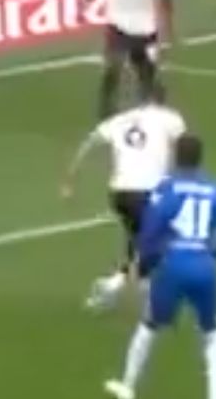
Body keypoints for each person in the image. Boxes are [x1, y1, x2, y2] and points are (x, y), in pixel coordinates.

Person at [105, 131, 216, 399]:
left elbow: (151, 229)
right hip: (204, 265)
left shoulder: (166, 189)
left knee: (150, 324)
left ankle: (128, 385)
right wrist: (215, 253)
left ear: (176, 157)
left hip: (173, 265)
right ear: (200, 159)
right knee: (212, 330)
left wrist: (142, 264)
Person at [63, 93, 189, 311]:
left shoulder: (118, 120)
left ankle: (117, 284)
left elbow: (88, 143)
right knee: (158, 239)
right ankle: (138, 290)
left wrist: (69, 179)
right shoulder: (168, 117)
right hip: (148, 192)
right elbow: (186, 145)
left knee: (138, 239)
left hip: (120, 193)